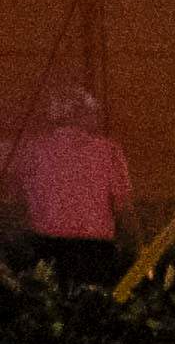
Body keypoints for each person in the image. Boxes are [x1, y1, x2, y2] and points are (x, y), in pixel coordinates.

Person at [19, 82, 135, 274]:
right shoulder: (109, 151)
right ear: (85, 116)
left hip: (47, 245)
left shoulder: (35, 150)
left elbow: (26, 200)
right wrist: (137, 246)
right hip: (95, 248)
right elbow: (124, 205)